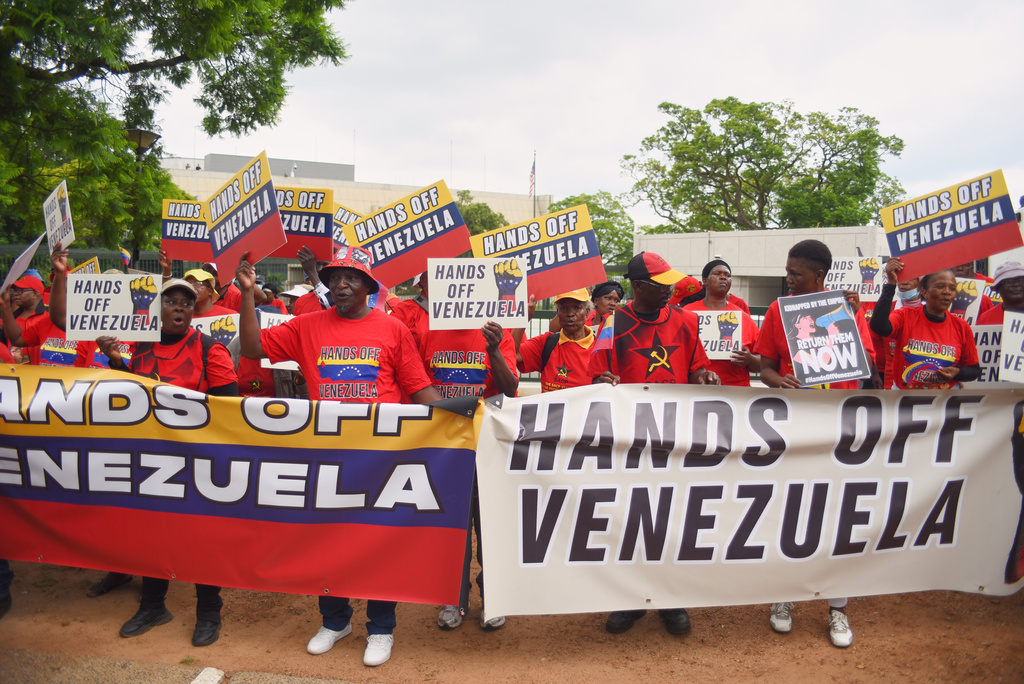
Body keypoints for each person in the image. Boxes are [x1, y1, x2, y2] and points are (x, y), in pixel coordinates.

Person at [236, 245, 441, 668]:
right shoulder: (306, 325)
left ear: (368, 285)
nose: (341, 284)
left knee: (379, 542)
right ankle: (335, 621)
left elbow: (419, 389)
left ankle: (381, 628)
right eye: (334, 277)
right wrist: (247, 294)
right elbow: (253, 349)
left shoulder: (392, 329)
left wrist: (463, 414)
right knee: (328, 539)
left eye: (351, 277)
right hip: (327, 455)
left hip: (383, 455)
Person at [97, 278, 239, 647]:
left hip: (198, 462)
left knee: (202, 539)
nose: (180, 308)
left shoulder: (211, 350)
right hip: (152, 460)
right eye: (171, 302)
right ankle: (153, 605)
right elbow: (130, 396)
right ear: (156, 310)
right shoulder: (142, 349)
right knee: (152, 533)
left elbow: (231, 410)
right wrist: (116, 361)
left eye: (187, 304)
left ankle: (209, 612)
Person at [589, 251, 719, 637]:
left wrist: (706, 376)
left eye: (670, 283)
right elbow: (597, 376)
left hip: (675, 439)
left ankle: (668, 597)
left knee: (672, 519)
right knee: (631, 519)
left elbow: (699, 367)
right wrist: (601, 382)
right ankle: (632, 598)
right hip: (629, 441)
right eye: (660, 285)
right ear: (638, 286)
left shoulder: (686, 320)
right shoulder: (614, 324)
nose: (669, 290)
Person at [755, 239, 870, 648]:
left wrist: (846, 340)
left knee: (838, 517)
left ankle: (837, 606)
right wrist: (779, 380)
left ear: (819, 275)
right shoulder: (776, 311)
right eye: (787, 272)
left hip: (840, 431)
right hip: (794, 430)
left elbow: (869, 367)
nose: (788, 279)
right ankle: (784, 597)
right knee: (792, 513)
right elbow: (766, 367)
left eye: (795, 274)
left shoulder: (844, 310)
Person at [422, 320, 518, 632]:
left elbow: (510, 388)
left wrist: (493, 350)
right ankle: (454, 597)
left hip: (489, 446)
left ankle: (494, 597)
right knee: (453, 527)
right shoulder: (427, 333)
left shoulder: (496, 334)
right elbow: (416, 385)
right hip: (446, 446)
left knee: (490, 526)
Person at [869, 258, 980, 389]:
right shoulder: (905, 315)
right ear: (925, 292)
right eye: (940, 286)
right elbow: (879, 327)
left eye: (952, 288)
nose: (947, 292)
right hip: (905, 398)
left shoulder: (962, 327)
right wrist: (891, 284)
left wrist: (958, 373)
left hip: (944, 401)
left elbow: (974, 370)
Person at [683, 259, 760, 386]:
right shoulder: (687, 313)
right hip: (696, 391)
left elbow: (761, 365)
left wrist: (749, 359)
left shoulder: (742, 317)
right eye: (717, 273)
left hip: (736, 393)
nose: (723, 277)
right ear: (705, 280)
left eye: (727, 275)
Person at [518, 289, 599, 392]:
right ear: (557, 313)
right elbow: (512, 355)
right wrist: (524, 318)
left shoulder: (599, 349)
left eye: (577, 308)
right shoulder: (546, 343)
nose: (570, 314)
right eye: (564, 308)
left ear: (587, 312)